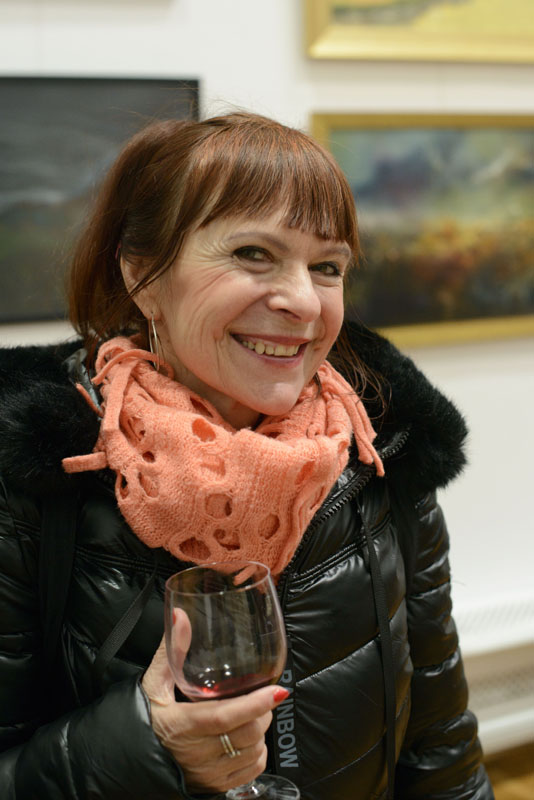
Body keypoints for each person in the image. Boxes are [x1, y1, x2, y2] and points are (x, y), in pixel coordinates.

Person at [0, 112, 493, 800]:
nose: (302, 301)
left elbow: (439, 738)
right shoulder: (30, 477)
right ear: (143, 277)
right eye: (253, 254)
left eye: (327, 267)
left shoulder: (383, 448)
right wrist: (147, 744)